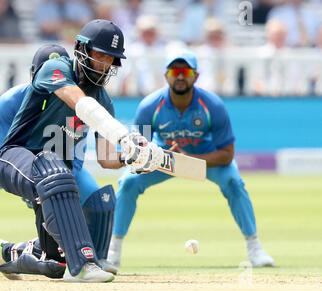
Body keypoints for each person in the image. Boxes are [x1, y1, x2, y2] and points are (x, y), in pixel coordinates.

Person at [0, 19, 164, 283]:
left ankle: (9, 252)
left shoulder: (103, 98)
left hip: (53, 180)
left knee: (55, 262)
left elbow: (107, 159)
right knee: (57, 172)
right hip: (14, 157)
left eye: (111, 59)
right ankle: (83, 266)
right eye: (100, 55)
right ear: (82, 49)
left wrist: (131, 157)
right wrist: (124, 135)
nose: (105, 64)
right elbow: (79, 101)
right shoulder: (56, 68)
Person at [0, 43, 119, 277]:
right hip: (10, 160)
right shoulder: (11, 99)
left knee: (100, 201)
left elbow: (75, 154)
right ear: (34, 74)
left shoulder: (78, 98)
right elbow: (6, 151)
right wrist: (35, 191)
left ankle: (92, 258)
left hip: (59, 165)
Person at [107, 49, 275, 270]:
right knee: (128, 183)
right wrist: (160, 157)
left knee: (234, 183)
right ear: (166, 75)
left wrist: (190, 160)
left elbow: (227, 154)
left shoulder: (212, 105)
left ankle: (255, 249)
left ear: (195, 76)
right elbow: (139, 150)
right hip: (162, 159)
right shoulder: (149, 106)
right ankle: (113, 251)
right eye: (174, 71)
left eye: (185, 71)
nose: (179, 76)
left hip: (203, 158)